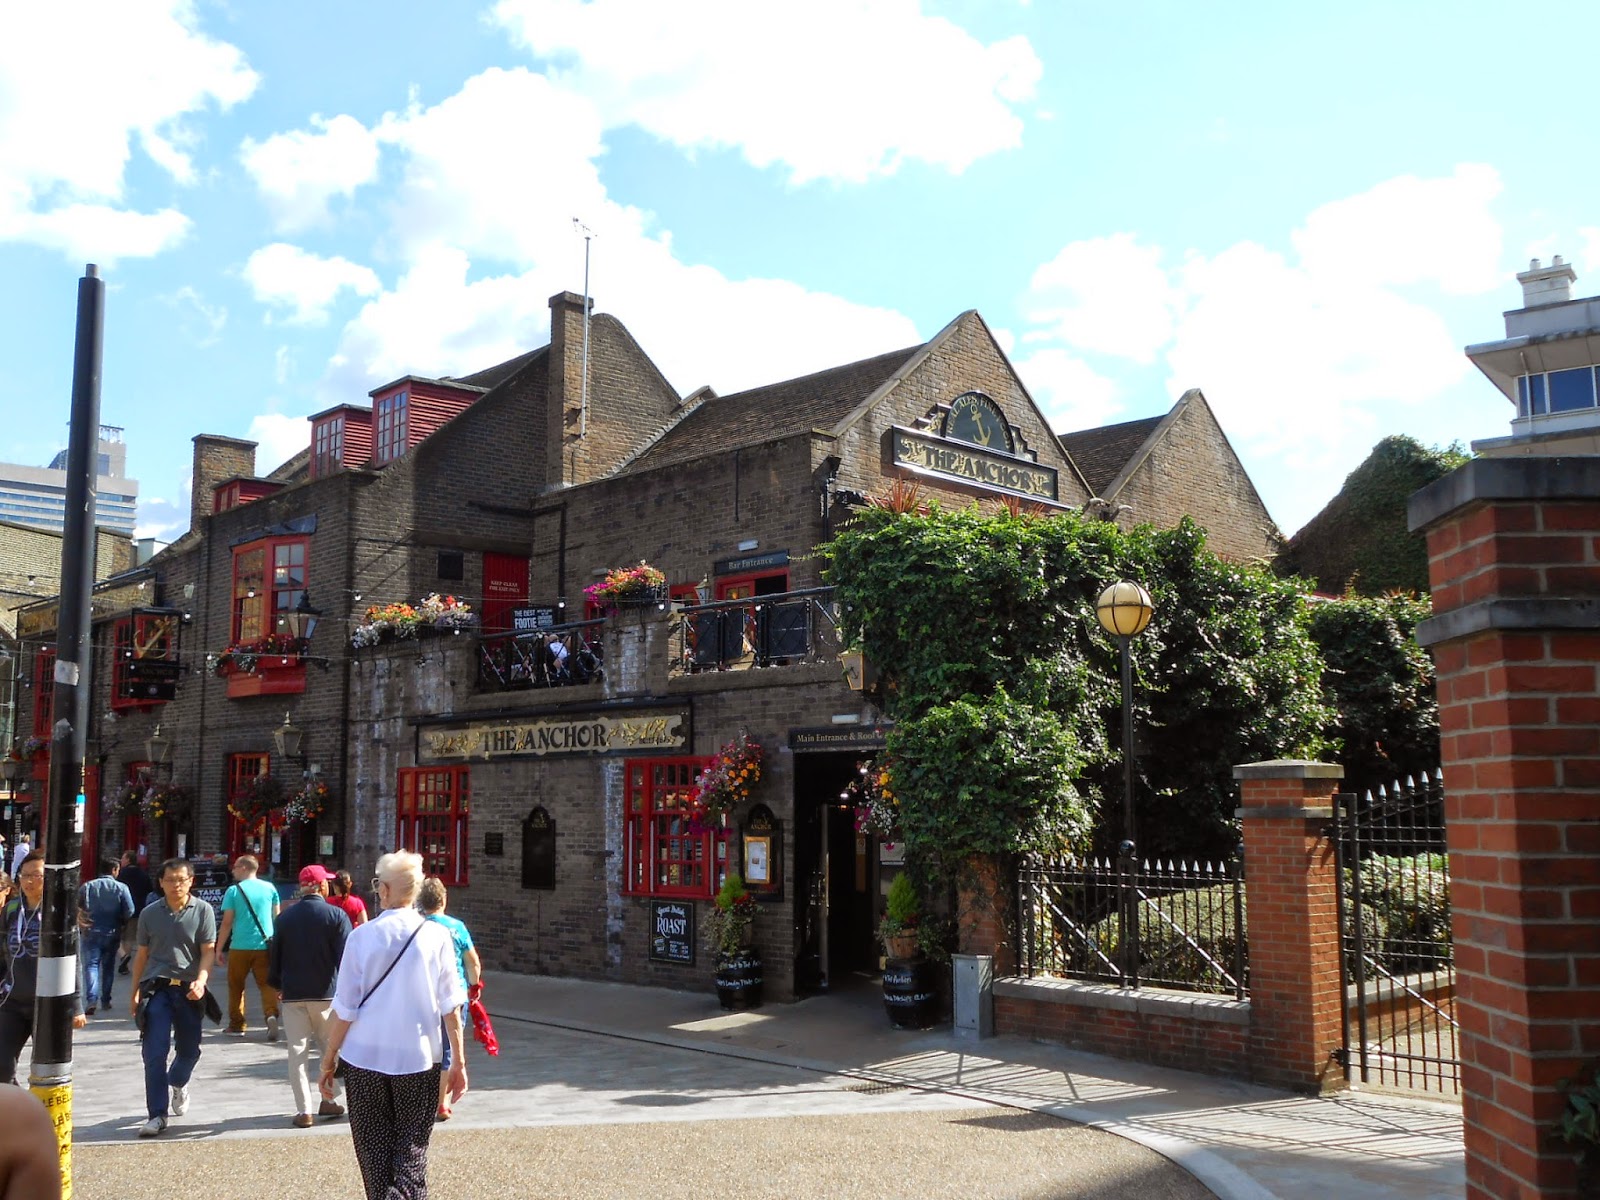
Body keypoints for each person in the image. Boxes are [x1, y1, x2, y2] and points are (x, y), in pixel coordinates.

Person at [319, 852, 466, 1200]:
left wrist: (329, 1056)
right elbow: (451, 1006)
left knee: (374, 1156)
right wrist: (459, 1061)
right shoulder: (437, 936)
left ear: (384, 890)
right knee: (411, 1153)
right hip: (419, 1057)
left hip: (364, 1057)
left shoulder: (362, 937)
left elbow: (346, 1008)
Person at [129, 857, 215, 1137]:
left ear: (191, 881)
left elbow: (208, 951)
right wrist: (135, 992)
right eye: (170, 880)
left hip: (189, 989)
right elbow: (141, 955)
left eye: (181, 880)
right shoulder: (149, 913)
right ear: (161, 882)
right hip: (158, 989)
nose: (176, 885)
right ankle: (157, 1114)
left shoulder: (202, 910)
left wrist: (201, 981)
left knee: (189, 1050)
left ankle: (178, 1082)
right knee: (154, 1052)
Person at [267, 864, 351, 1128]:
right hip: (326, 993)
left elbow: (275, 956)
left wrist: (278, 985)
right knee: (329, 1048)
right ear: (322, 886)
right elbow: (347, 959)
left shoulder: (284, 918)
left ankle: (304, 1109)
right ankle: (328, 1099)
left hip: (293, 993)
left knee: (297, 1053)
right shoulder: (336, 915)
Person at [0, 851, 87, 1084]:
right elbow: (2, 954)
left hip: (48, 1003)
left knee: (45, 1071)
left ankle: (36, 1106)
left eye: (36, 875)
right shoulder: (11, 910)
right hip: (12, 1001)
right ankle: (19, 1104)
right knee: (2, 1066)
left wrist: (77, 1005)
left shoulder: (59, 912)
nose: (29, 881)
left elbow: (74, 960)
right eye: (24, 875)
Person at [416, 878, 482, 1120]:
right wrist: (474, 985)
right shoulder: (457, 927)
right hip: (455, 994)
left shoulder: (417, 927)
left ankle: (419, 1097)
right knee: (448, 1047)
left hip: (423, 993)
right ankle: (442, 1103)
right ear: (443, 899)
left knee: (422, 1044)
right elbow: (472, 962)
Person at [215, 855, 281, 1039]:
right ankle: (271, 1014)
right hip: (264, 945)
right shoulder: (270, 888)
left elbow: (227, 922)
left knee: (236, 986)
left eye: (235, 867)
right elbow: (277, 918)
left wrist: (219, 948)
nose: (233, 870)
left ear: (244, 868)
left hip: (239, 946)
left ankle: (237, 1024)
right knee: (267, 984)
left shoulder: (233, 891)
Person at [77, 855, 135, 1016]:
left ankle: (91, 999)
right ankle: (106, 1000)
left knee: (91, 965)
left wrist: (83, 922)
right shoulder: (121, 887)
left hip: (90, 930)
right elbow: (130, 910)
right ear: (114, 870)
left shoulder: (87, 886)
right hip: (112, 930)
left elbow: (77, 906)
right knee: (108, 967)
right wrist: (121, 921)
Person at [116, 850, 154, 975]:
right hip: (138, 910)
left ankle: (124, 959)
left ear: (128, 859)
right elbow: (149, 891)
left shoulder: (121, 874)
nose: (121, 861)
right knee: (132, 938)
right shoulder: (143, 874)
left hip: (121, 910)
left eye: (123, 858)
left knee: (120, 937)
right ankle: (131, 962)